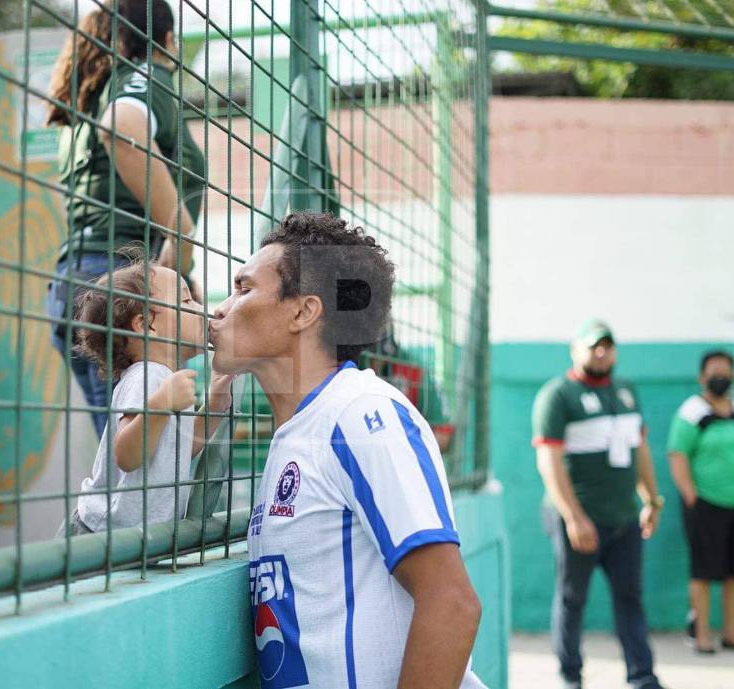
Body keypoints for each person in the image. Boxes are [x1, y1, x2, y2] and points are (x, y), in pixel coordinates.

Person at [210, 211, 485, 689]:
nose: (221, 309)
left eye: (243, 288)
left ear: (303, 312)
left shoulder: (360, 415)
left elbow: (452, 602)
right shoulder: (299, 432)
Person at [45, 0, 206, 435]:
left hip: (76, 282)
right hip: (118, 283)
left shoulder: (89, 98)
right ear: (167, 41)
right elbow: (122, 126)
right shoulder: (147, 75)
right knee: (139, 453)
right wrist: (181, 232)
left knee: (126, 445)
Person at [531, 320, 667, 689]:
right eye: (593, 346)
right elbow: (549, 462)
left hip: (624, 519)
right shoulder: (558, 395)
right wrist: (574, 518)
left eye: (607, 345)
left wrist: (651, 500)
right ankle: (570, 676)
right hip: (578, 520)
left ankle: (642, 676)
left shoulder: (626, 391)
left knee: (630, 598)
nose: (601, 352)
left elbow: (640, 450)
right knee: (572, 599)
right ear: (575, 350)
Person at [64, 256, 232, 534]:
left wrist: (214, 405)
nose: (202, 309)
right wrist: (162, 403)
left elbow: (176, 451)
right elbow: (127, 454)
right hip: (99, 535)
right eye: (187, 300)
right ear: (146, 325)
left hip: (130, 537)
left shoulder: (163, 380)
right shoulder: (148, 376)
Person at [667, 351, 734, 654]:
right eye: (714, 371)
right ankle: (702, 636)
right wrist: (690, 495)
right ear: (702, 377)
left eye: (726, 371)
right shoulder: (692, 411)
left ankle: (731, 634)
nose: (720, 377)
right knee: (704, 571)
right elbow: (677, 453)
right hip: (707, 503)